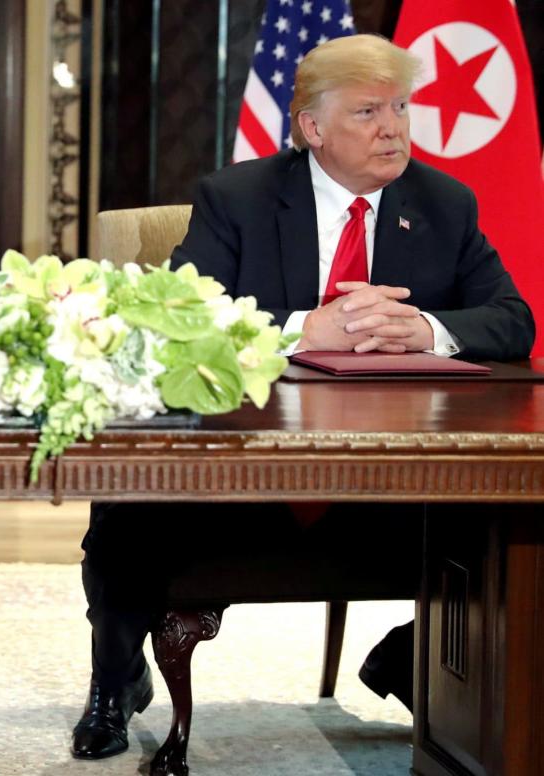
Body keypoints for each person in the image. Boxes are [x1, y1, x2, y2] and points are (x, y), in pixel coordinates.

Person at [71, 33, 535, 761]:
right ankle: (116, 680)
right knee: (129, 496)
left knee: (515, 527)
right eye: (368, 111)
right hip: (249, 467)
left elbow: (512, 321)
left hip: (400, 480)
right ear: (312, 128)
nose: (393, 127)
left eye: (402, 108)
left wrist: (423, 329)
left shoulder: (443, 203)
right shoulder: (237, 199)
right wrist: (301, 328)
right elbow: (179, 320)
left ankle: (412, 659)